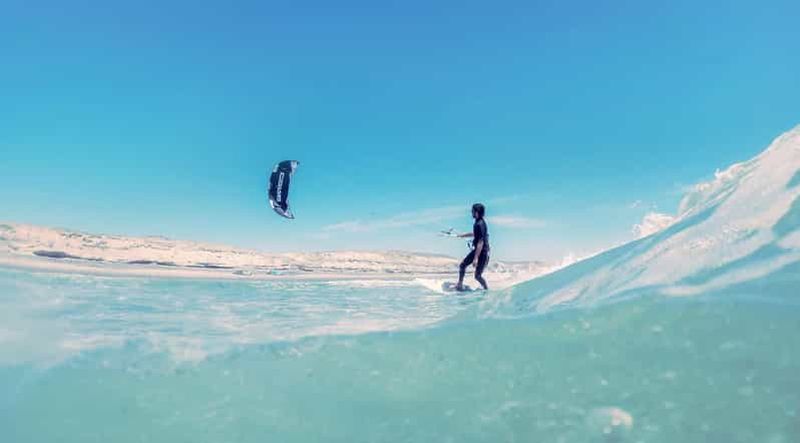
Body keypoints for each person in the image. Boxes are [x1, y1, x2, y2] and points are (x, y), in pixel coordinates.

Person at [456, 203, 490, 291]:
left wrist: (475, 258)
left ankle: (486, 289)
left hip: (483, 252)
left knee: (477, 276)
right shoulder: (478, 222)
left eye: (473, 211)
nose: (471, 213)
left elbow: (480, 242)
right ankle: (459, 285)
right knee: (462, 265)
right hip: (478, 251)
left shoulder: (480, 224)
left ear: (477, 212)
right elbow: (475, 234)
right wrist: (463, 235)